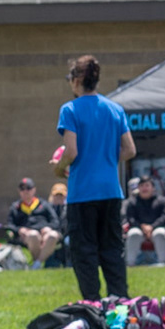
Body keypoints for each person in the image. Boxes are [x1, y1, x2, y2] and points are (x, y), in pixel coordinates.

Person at [54, 55, 134, 299]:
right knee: (112, 249)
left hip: (82, 192)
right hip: (111, 191)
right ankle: (119, 302)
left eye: (70, 78)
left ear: (78, 80)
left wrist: (59, 167)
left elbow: (72, 152)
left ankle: (92, 305)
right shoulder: (115, 108)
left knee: (84, 251)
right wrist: (106, 158)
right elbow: (130, 150)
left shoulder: (70, 109)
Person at [8, 177, 64, 266]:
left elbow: (55, 221)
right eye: (22, 189)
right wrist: (19, 230)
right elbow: (10, 225)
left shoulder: (44, 204)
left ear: (34, 190)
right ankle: (38, 264)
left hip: (45, 233)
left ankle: (36, 263)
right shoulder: (15, 207)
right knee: (33, 234)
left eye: (28, 188)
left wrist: (49, 228)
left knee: (53, 235)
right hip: (27, 235)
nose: (25, 191)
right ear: (19, 191)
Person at [122, 177, 165, 266]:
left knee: (160, 233)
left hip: (156, 228)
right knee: (133, 233)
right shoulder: (132, 202)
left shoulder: (161, 201)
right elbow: (130, 218)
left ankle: (163, 263)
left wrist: (152, 227)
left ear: (153, 188)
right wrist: (142, 227)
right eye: (141, 186)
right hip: (138, 229)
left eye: (147, 185)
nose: (144, 188)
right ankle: (130, 264)